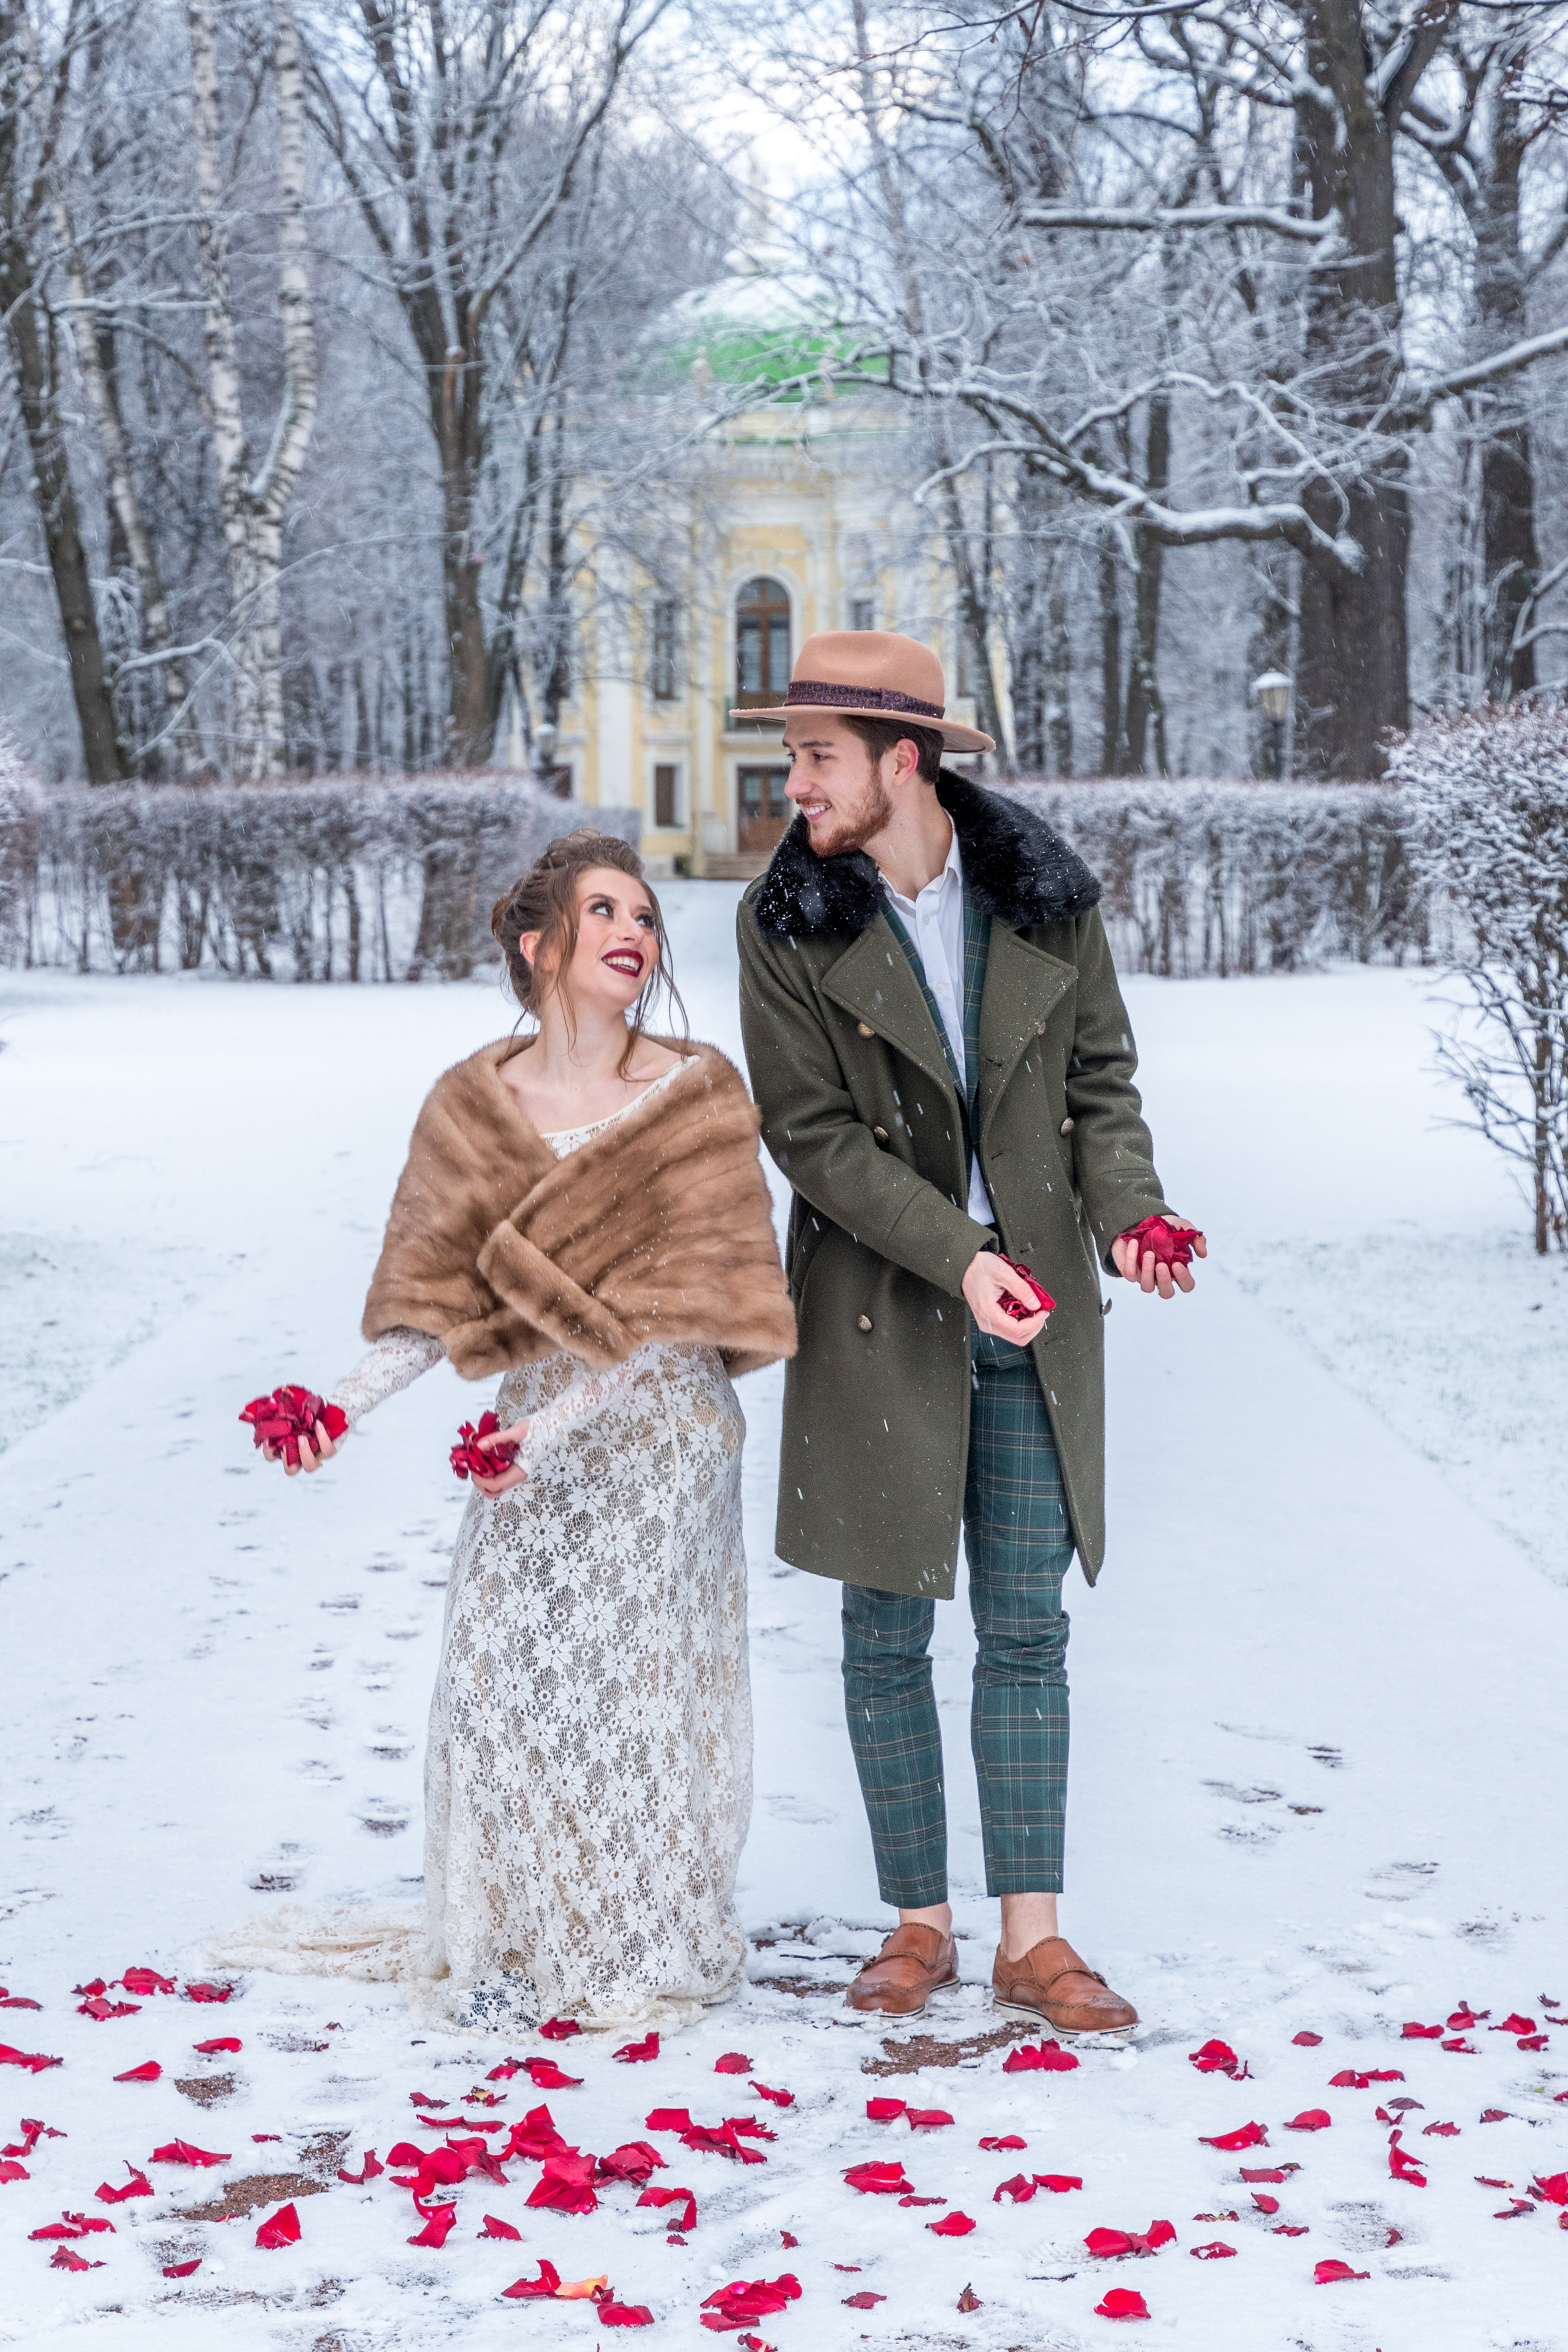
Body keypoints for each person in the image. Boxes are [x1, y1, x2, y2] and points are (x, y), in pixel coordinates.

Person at [245, 831, 796, 2033]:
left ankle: (637, 1936)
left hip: (658, 1437)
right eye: (605, 911)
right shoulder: (470, 1106)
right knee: (500, 1677)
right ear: (539, 944)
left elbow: (676, 1317)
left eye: (646, 918)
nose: (633, 934)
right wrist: (336, 1405)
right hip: (527, 1432)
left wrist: (547, 1438)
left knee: (630, 1687)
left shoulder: (694, 1094)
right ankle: (539, 1920)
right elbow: (436, 1296)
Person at [736, 633, 1204, 2035]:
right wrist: (959, 1254)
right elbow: (810, 1136)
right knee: (883, 1624)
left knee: (1023, 1627)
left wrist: (1129, 1212)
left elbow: (1101, 1081)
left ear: (900, 760)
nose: (793, 780)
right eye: (791, 754)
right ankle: (914, 1924)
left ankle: (1031, 1938)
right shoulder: (786, 924)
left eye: (815, 755)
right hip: (884, 1294)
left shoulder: (1044, 901)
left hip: (1041, 1302)